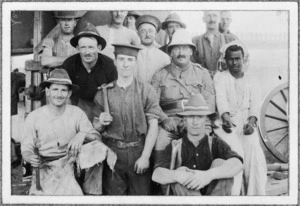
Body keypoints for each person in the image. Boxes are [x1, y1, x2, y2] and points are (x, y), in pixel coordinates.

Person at [21, 68, 112, 195]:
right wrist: (30, 157)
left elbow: (98, 139)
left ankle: (91, 193)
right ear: (47, 91)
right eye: (55, 89)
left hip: (69, 164)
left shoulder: (76, 113)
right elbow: (26, 148)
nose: (59, 94)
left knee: (98, 149)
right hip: (45, 165)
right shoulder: (34, 117)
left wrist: (82, 134)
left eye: (63, 90)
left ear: (69, 94)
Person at [93, 44, 161, 195]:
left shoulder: (146, 90)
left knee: (141, 199)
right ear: (115, 62)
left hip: (139, 151)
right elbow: (96, 127)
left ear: (135, 63)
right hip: (112, 154)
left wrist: (145, 157)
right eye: (121, 59)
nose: (125, 64)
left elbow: (153, 126)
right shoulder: (103, 92)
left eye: (130, 60)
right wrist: (100, 122)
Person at [152, 93, 243, 196]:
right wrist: (177, 175)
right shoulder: (176, 146)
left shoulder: (215, 143)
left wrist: (208, 175)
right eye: (191, 117)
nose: (195, 122)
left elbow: (238, 164)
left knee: (220, 163)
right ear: (184, 120)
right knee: (180, 172)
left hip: (214, 197)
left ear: (206, 120)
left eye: (200, 117)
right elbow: (156, 174)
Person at [151, 29, 216, 165]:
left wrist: (193, 121)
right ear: (170, 52)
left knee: (201, 152)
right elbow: (152, 104)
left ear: (191, 51)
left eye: (184, 49)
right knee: (160, 147)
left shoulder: (202, 74)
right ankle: (162, 184)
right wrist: (164, 119)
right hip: (170, 121)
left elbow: (209, 103)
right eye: (176, 49)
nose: (181, 53)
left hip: (196, 120)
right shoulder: (160, 75)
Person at [214, 41, 267, 195]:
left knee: (253, 151)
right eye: (231, 59)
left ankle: (254, 194)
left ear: (243, 59)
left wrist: (251, 123)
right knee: (235, 153)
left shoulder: (252, 79)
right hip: (227, 123)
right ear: (226, 59)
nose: (234, 62)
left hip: (246, 122)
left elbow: (255, 104)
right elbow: (221, 100)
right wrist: (225, 118)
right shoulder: (220, 77)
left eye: (238, 59)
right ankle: (234, 194)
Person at [62, 22, 117, 122]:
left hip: (102, 105)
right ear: (78, 48)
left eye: (91, 47)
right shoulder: (69, 64)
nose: (87, 52)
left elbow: (115, 93)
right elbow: (64, 93)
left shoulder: (108, 65)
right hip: (78, 104)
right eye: (83, 47)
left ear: (99, 48)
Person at [192, 11, 236, 77]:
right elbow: (190, 67)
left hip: (224, 83)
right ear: (203, 19)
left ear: (219, 19)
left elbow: (241, 63)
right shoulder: (195, 41)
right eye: (208, 16)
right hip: (202, 83)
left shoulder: (230, 40)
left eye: (215, 16)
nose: (212, 19)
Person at [135, 15, 170, 83]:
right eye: (143, 31)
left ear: (155, 33)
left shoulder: (164, 57)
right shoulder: (131, 55)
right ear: (138, 34)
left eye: (150, 31)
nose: (147, 34)